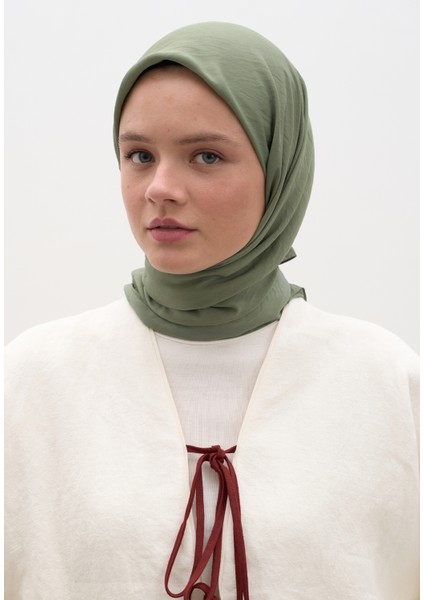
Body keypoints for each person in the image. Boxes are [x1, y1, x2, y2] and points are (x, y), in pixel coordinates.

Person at [5, 22, 419, 600]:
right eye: (139, 155)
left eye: (206, 156)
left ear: (279, 167)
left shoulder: (386, 382)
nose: (160, 188)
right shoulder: (32, 379)